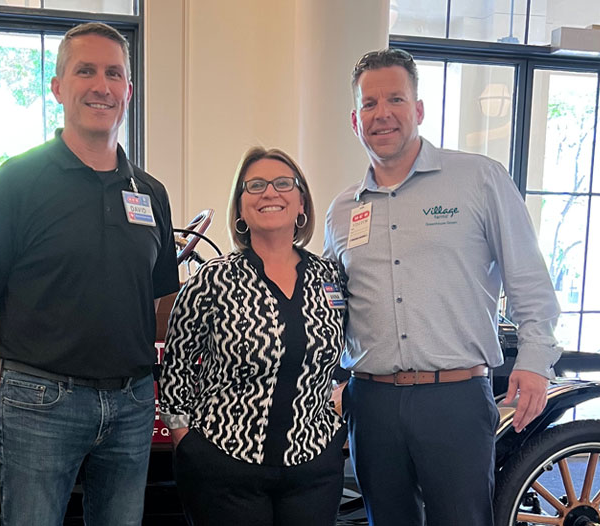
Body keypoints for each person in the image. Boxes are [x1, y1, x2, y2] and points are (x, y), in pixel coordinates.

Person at [323, 48, 562, 526]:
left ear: (418, 109)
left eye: (395, 99)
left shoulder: (478, 179)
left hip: (454, 398)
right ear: (355, 120)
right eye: (369, 103)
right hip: (371, 404)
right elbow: (332, 305)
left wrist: (535, 360)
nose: (382, 113)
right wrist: (331, 379)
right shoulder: (342, 211)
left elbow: (528, 277)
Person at [0, 22, 179, 525]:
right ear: (57, 87)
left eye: (114, 74)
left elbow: (159, 302)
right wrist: (15, 386)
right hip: (41, 402)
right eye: (86, 71)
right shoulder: (15, 182)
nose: (102, 86)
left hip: (132, 403)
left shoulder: (150, 193)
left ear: (128, 91)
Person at [159, 147, 347, 526]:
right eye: (256, 186)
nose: (270, 192)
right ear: (241, 209)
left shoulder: (331, 277)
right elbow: (176, 369)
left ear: (302, 203)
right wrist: (186, 441)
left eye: (283, 184)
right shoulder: (213, 279)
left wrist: (339, 411)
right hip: (224, 467)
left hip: (313, 467)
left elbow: (352, 349)